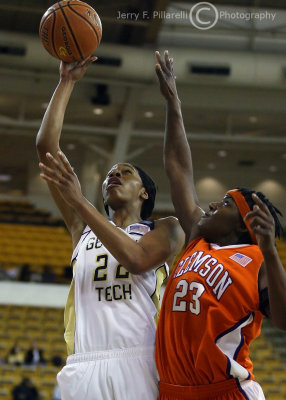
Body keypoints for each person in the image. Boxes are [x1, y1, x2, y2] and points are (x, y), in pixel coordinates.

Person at [36, 57, 184, 400]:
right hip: (83, 363)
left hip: (140, 360)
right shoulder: (81, 228)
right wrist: (66, 82)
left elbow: (136, 259)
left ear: (144, 192)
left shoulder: (165, 228)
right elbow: (46, 149)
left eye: (125, 172)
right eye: (109, 174)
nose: (113, 175)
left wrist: (81, 202)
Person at [154, 50, 286, 400]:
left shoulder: (257, 262)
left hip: (224, 392)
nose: (212, 204)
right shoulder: (198, 235)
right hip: (172, 392)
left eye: (225, 203)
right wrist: (173, 104)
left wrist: (270, 251)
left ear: (244, 223)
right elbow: (178, 169)